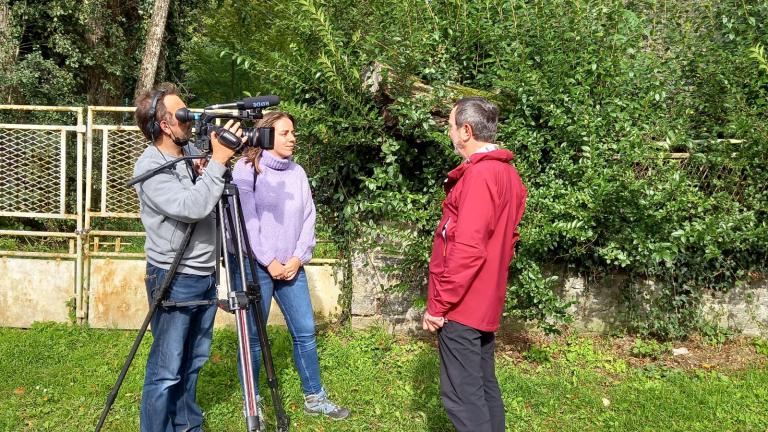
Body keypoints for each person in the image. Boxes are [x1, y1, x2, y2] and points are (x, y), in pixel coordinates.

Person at [228, 111, 350, 427]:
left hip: (292, 267)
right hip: (257, 266)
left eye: (293, 132)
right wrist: (270, 261)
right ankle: (252, 404)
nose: (292, 137)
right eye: (285, 133)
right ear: (266, 136)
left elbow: (309, 216)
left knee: (306, 332)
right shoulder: (245, 170)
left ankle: (315, 398)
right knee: (253, 338)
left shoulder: (297, 172)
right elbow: (246, 220)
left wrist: (297, 258)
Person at [133, 82, 242, 432]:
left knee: (194, 359)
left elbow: (211, 195)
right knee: (166, 369)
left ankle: (186, 425)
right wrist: (217, 164)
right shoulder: (150, 166)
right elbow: (190, 207)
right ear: (165, 124)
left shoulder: (191, 153)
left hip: (205, 274)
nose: (190, 119)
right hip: (173, 276)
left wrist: (212, 164)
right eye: (182, 114)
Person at [422, 97, 527, 432]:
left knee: (462, 397)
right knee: (483, 386)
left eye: (451, 126)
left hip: (463, 304)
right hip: (485, 299)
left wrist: (439, 305)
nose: (449, 132)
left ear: (466, 132)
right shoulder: (507, 173)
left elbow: (467, 248)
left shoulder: (481, 176)